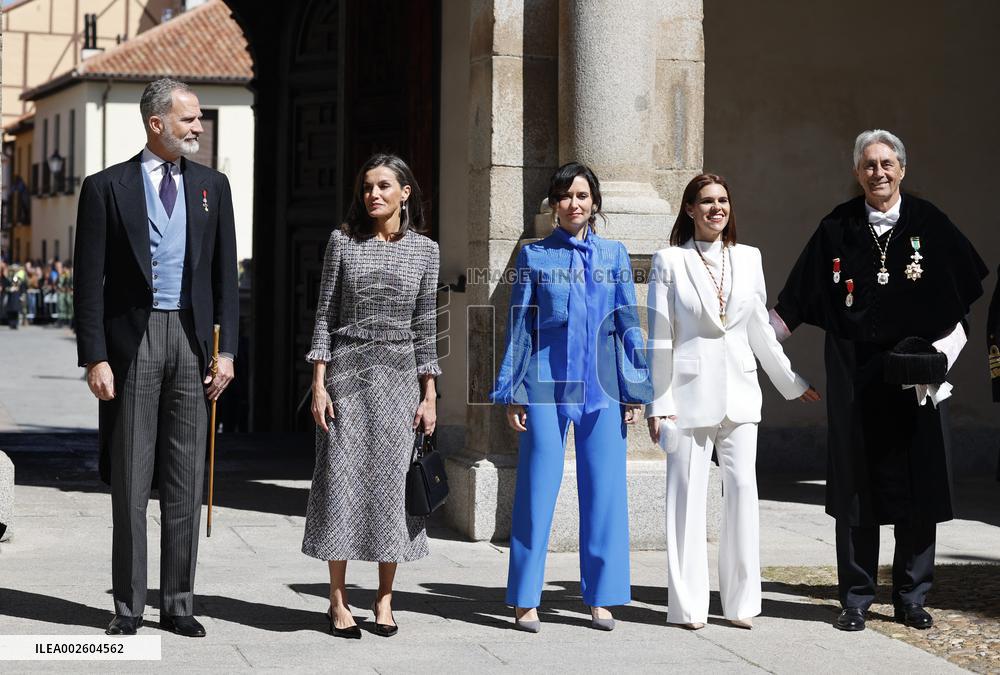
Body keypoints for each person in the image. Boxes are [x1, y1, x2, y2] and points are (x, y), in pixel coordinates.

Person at [771, 129, 987, 632]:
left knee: (919, 485)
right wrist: (751, 342)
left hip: (915, 382)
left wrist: (940, 357)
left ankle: (912, 595)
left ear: (902, 169)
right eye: (869, 165)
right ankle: (856, 596)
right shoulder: (837, 227)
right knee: (855, 488)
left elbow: (961, 311)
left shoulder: (930, 223)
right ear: (857, 172)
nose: (878, 173)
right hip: (856, 380)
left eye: (887, 164)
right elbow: (793, 305)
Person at [74, 78, 238, 638]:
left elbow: (224, 281)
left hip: (192, 344)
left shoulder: (213, 186)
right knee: (131, 476)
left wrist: (229, 352)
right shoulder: (104, 188)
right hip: (132, 345)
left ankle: (179, 603)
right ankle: (128, 606)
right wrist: (95, 357)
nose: (198, 127)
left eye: (198, 119)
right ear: (156, 123)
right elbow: (88, 284)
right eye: (190, 119)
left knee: (186, 478)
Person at [645, 174, 820, 630]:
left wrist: (791, 381)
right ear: (689, 209)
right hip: (685, 397)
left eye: (723, 201)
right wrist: (657, 404)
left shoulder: (749, 258)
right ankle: (688, 607)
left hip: (741, 395)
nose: (716, 208)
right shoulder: (668, 261)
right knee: (686, 500)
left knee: (743, 494)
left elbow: (759, 330)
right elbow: (659, 339)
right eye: (706, 201)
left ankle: (741, 604)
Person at [491, 162, 652, 633]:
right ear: (553, 205)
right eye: (565, 196)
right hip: (544, 382)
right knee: (537, 490)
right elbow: (519, 326)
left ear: (594, 203)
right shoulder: (533, 257)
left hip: (602, 387)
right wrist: (514, 391)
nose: (574, 204)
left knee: (604, 491)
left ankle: (602, 596)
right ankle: (524, 597)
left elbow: (627, 323)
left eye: (582, 196)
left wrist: (635, 388)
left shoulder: (615, 255)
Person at [304, 153, 440, 640]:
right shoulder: (342, 243)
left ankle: (384, 599)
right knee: (340, 484)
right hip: (347, 377)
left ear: (406, 192)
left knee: (391, 491)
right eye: (366, 187)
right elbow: (324, 316)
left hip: (401, 379)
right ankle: (337, 601)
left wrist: (430, 395)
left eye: (384, 186)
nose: (373, 195)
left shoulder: (426, 250)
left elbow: (426, 327)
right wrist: (318, 385)